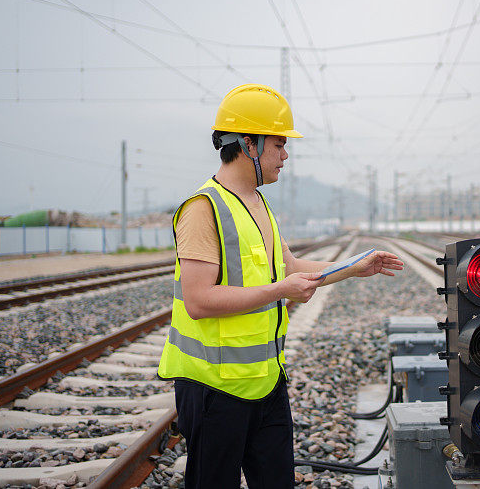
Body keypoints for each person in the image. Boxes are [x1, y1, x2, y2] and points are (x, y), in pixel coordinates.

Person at [157, 83, 403, 489]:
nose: (286, 155)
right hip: (214, 388)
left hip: (267, 381)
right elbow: (199, 301)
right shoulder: (202, 209)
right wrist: (279, 291)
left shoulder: (258, 203)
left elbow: (289, 267)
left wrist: (356, 266)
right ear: (248, 144)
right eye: (279, 143)